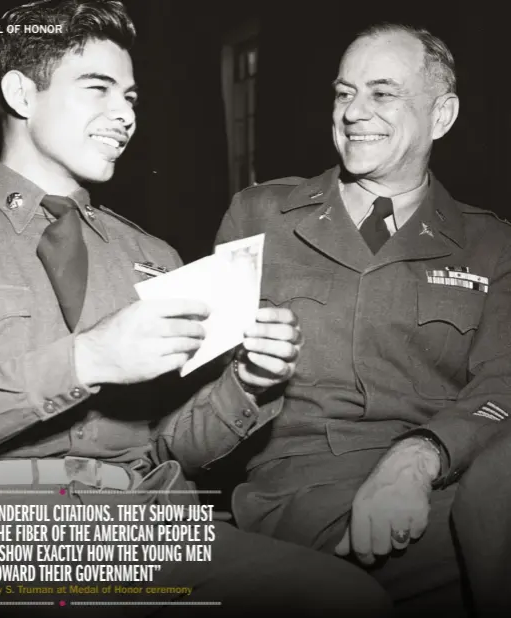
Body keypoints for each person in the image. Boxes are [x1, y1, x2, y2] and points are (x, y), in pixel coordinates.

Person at [0, 1, 392, 617]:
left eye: (133, 99)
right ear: (21, 93)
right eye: (98, 90)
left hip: (144, 530)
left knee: (346, 599)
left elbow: (174, 448)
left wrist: (247, 384)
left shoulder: (153, 255)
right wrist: (89, 358)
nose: (124, 115)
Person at [216, 22, 511, 615]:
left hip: (452, 477)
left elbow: (501, 385)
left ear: (443, 114)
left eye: (382, 93)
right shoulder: (260, 214)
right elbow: (204, 389)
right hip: (305, 490)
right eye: (344, 92)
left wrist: (419, 456)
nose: (354, 112)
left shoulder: (491, 243)